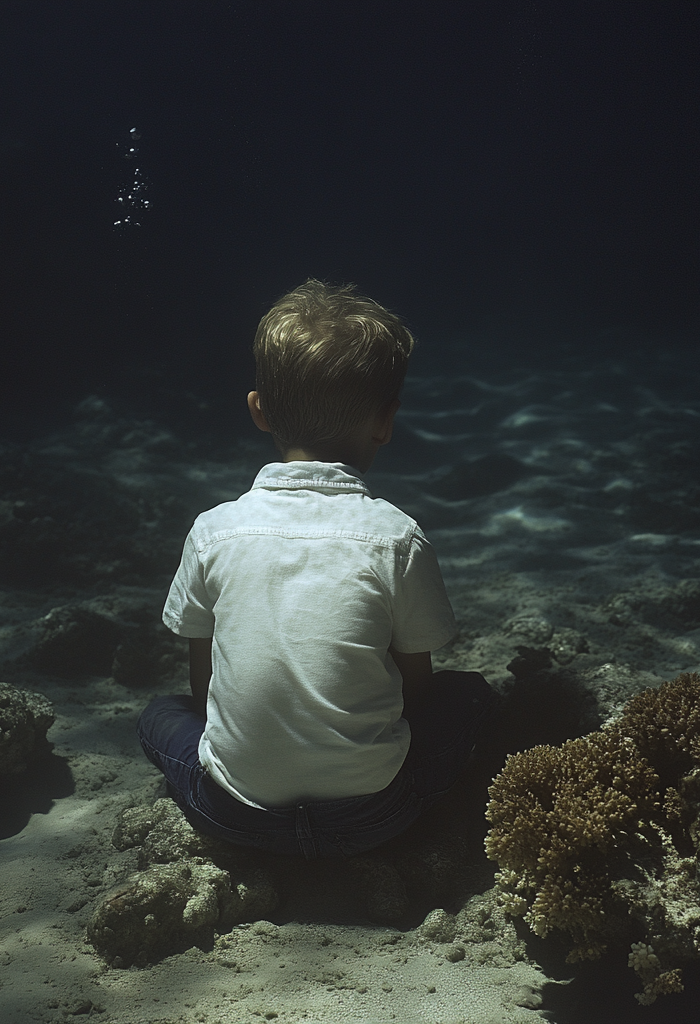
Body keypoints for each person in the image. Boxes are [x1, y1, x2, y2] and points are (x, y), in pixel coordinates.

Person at [138, 279, 496, 860]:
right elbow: (419, 689)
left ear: (258, 410)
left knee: (160, 714)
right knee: (470, 695)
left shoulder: (213, 530)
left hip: (237, 814)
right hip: (374, 817)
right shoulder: (397, 538)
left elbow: (202, 686)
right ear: (387, 420)